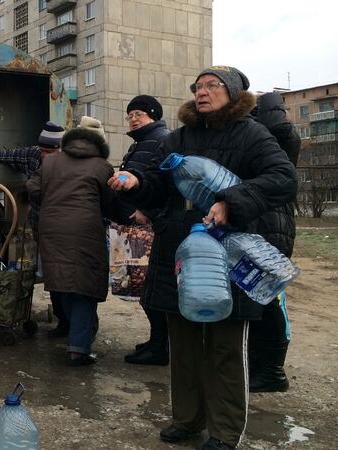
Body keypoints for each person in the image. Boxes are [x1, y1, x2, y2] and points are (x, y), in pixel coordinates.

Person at [109, 66, 297, 449]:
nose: (203, 92)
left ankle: (226, 432)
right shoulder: (178, 138)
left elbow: (283, 178)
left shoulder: (252, 134)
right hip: (182, 249)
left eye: (213, 86)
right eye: (198, 86)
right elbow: (158, 187)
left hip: (230, 251)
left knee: (226, 347)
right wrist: (137, 182)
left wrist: (233, 201)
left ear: (232, 93)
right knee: (184, 345)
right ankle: (188, 420)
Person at [27, 116, 115, 366]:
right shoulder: (101, 166)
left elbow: (32, 187)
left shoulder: (51, 161)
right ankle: (78, 349)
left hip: (51, 228)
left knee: (62, 279)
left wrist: (48, 204)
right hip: (85, 229)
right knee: (84, 287)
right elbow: (110, 203)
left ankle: (73, 334)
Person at [0, 121, 71, 337]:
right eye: (43, 151)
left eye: (51, 151)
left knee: (68, 278)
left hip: (65, 231)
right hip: (39, 228)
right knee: (47, 277)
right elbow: (1, 157)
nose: (46, 156)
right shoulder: (32, 156)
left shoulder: (71, 161)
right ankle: (58, 322)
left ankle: (76, 325)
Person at [247, 91, 301, 392]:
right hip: (262, 227)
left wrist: (266, 100)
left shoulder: (280, 138)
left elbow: (281, 127)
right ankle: (259, 364)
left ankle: (272, 372)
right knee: (256, 299)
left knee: (268, 300)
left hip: (273, 229)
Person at [117, 95, 170, 366]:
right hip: (143, 223)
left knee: (150, 287)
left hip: (149, 225)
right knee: (146, 287)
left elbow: (156, 182)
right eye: (130, 115)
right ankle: (158, 340)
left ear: (153, 116)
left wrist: (145, 210)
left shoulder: (157, 140)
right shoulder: (143, 141)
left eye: (139, 114)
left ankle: (162, 346)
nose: (133, 119)